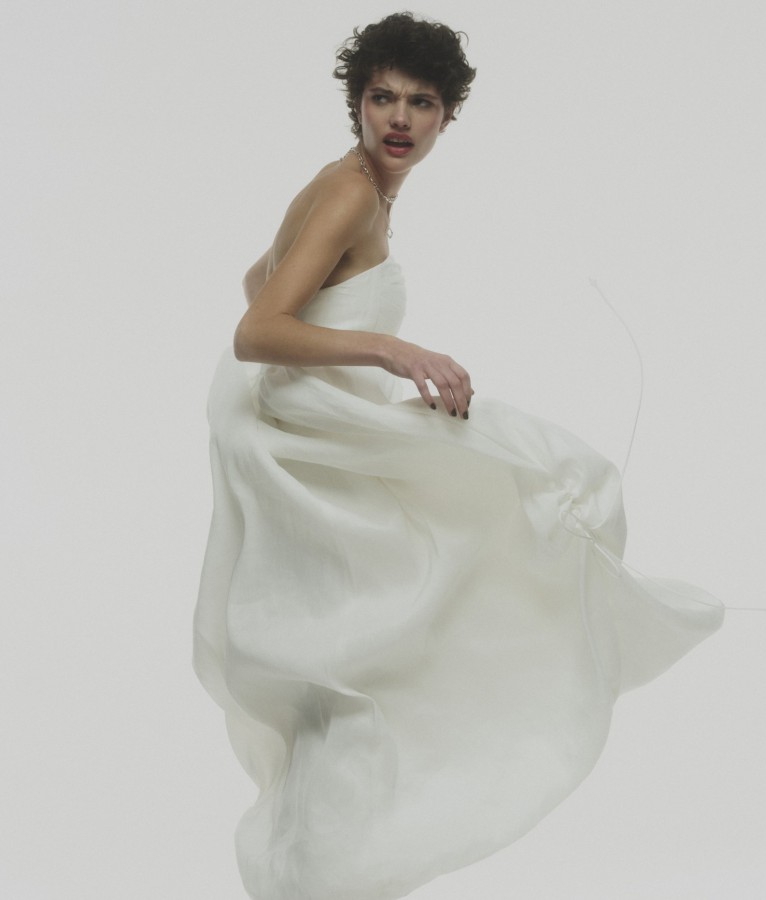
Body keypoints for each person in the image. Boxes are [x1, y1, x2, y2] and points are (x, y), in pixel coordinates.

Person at [194, 13, 722, 900]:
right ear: (358, 102)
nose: (400, 119)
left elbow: (265, 279)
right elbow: (257, 328)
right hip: (296, 439)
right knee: (524, 496)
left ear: (448, 114)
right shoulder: (349, 192)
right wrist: (393, 351)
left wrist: (346, 340)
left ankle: (317, 872)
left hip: (305, 424)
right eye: (382, 98)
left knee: (368, 644)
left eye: (422, 102)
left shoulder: (354, 187)